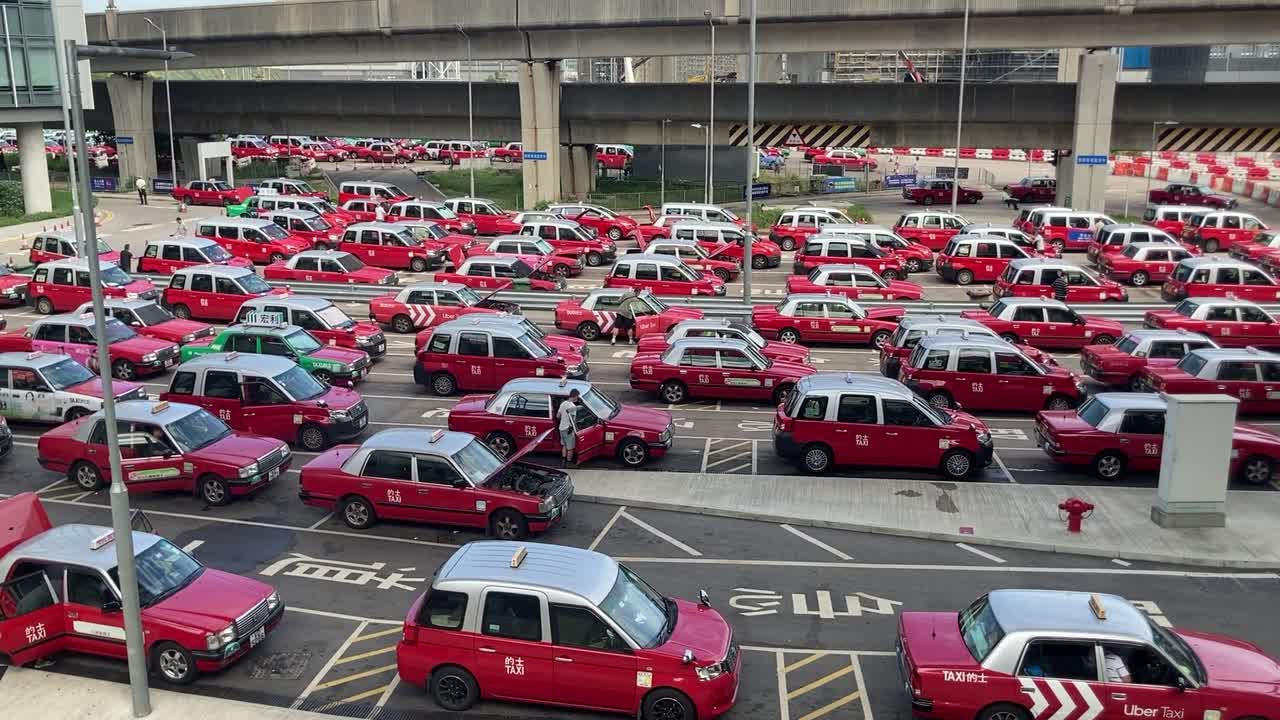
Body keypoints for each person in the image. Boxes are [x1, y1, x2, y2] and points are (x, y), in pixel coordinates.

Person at [557, 389, 581, 467]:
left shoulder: (563, 403)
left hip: (561, 428)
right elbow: (573, 420)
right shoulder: (573, 407)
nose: (577, 398)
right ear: (575, 396)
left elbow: (558, 416)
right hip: (568, 429)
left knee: (564, 445)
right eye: (577, 396)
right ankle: (569, 462)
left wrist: (564, 418)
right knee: (570, 448)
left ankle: (563, 460)